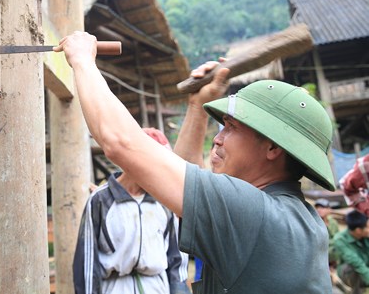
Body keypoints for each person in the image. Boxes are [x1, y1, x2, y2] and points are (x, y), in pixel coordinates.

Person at [56, 32, 336, 293]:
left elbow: (120, 143)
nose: (218, 139)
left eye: (231, 128)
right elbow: (186, 185)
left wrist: (82, 60)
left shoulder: (253, 212)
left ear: (273, 147)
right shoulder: (295, 217)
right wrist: (197, 108)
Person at [72, 127, 191, 294]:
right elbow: (87, 264)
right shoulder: (101, 200)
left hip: (157, 287)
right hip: (115, 287)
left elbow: (177, 260)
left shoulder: (165, 200)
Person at [332, 210, 369, 294]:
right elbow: (356, 263)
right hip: (350, 272)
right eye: (367, 227)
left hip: (366, 267)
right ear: (358, 230)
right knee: (351, 268)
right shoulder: (340, 240)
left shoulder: (365, 234)